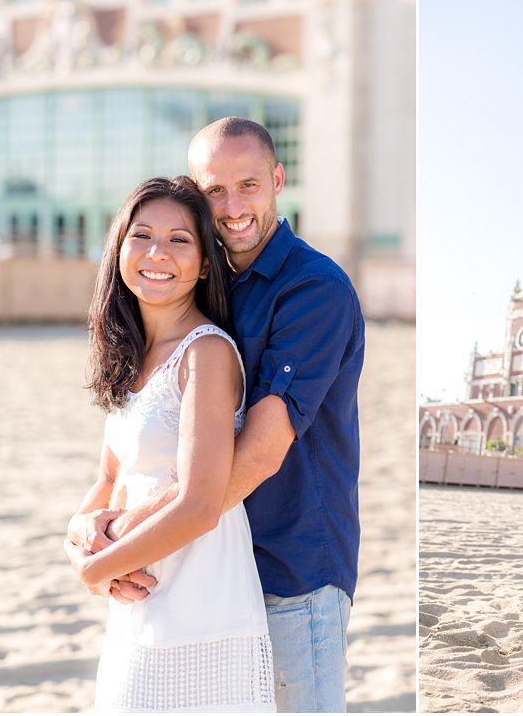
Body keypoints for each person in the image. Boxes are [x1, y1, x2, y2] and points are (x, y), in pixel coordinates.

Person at [67, 118, 365, 711]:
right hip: (195, 572)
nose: (232, 207)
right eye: (214, 190)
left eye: (249, 185)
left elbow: (257, 453)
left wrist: (118, 545)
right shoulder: (211, 290)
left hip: (290, 573)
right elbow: (123, 467)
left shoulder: (313, 289)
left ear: (278, 180)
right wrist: (85, 534)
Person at [64, 176, 274, 711]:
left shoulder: (206, 354)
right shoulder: (131, 358)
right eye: (143, 235)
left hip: (199, 607)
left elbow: (201, 504)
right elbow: (111, 480)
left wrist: (98, 568)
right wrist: (79, 538)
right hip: (136, 608)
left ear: (205, 264)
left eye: (180, 239)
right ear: (120, 250)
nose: (158, 252)